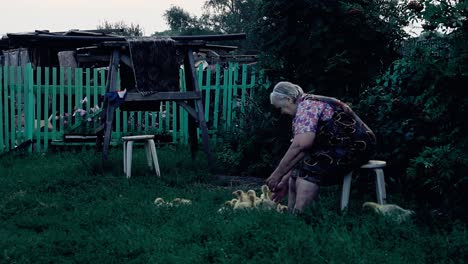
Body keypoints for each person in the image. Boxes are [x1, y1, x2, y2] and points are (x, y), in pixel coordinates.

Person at [266, 81, 376, 214]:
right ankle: (291, 215)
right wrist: (283, 180)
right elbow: (303, 150)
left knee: (311, 167)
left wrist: (277, 174)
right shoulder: (304, 106)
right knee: (297, 170)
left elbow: (302, 145)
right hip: (343, 146)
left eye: (281, 108)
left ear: (288, 99)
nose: (282, 112)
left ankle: (300, 215)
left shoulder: (307, 106)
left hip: (358, 147)